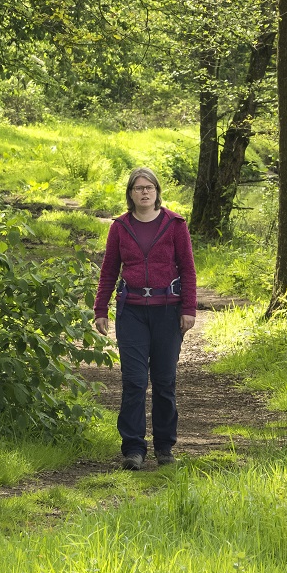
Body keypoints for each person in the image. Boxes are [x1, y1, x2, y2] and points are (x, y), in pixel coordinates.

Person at [93, 166, 197, 469]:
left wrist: (189, 309)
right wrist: (101, 309)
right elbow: (109, 269)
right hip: (132, 312)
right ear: (130, 194)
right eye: (138, 188)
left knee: (165, 382)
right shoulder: (120, 227)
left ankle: (164, 447)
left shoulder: (175, 224)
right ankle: (134, 449)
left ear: (157, 191)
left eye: (149, 187)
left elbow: (188, 269)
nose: (144, 192)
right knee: (135, 381)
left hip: (168, 311)